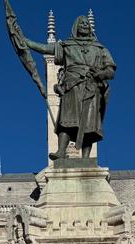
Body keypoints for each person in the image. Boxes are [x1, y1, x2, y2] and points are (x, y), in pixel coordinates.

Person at [22, 14, 116, 160]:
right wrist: (26, 42)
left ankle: (86, 159)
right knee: (66, 120)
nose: (85, 25)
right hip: (71, 87)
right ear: (76, 27)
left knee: (89, 125)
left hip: (91, 87)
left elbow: (110, 69)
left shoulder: (100, 48)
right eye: (82, 23)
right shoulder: (67, 46)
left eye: (87, 23)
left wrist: (101, 74)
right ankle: (61, 151)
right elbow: (46, 49)